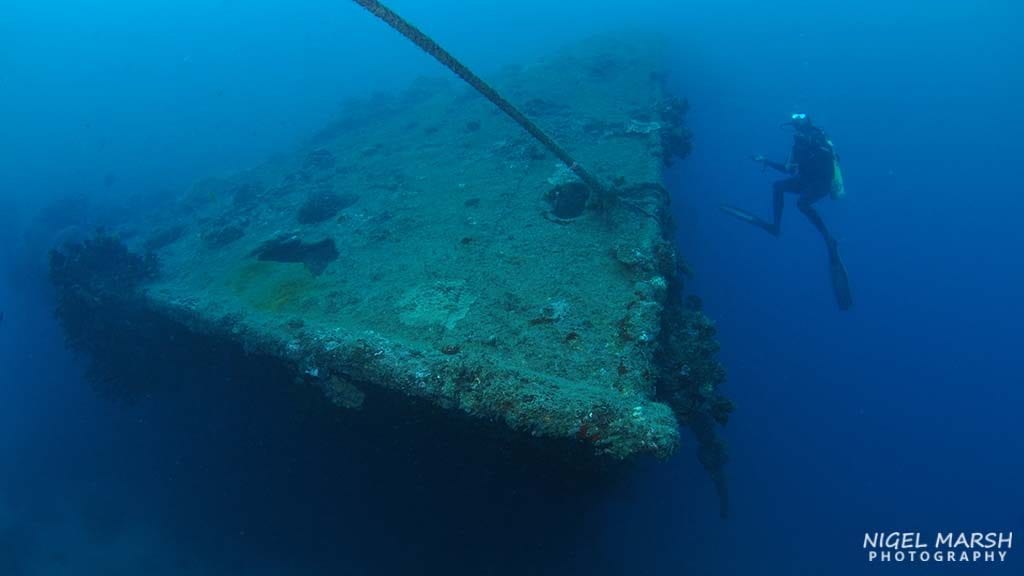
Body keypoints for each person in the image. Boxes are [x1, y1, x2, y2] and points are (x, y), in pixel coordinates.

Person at [721, 114, 853, 309]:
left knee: (802, 204)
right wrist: (766, 161)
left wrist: (812, 144)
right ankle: (775, 227)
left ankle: (829, 239)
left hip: (822, 183)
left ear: (807, 124)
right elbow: (788, 169)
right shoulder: (796, 145)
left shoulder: (819, 138)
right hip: (806, 180)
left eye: (800, 125)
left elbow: (829, 162)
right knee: (778, 187)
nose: (797, 131)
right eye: (796, 127)